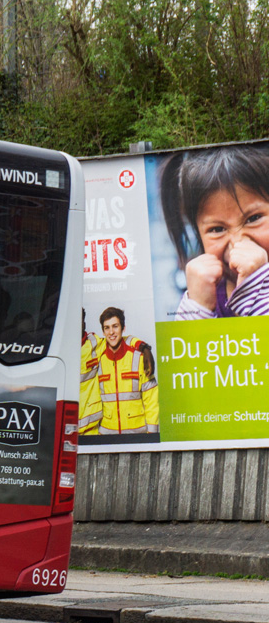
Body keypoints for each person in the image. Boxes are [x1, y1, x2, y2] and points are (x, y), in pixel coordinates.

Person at [160, 147, 269, 318]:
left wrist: (256, 284)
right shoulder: (200, 297)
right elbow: (187, 344)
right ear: (198, 235)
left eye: (253, 218)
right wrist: (198, 307)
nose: (237, 243)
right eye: (217, 229)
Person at [94, 307, 158, 436]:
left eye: (115, 326)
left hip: (137, 434)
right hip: (107, 436)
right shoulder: (98, 359)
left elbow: (151, 400)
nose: (111, 332)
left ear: (123, 328)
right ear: (103, 331)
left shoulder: (139, 358)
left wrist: (152, 433)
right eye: (107, 328)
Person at [77, 309, 105, 435]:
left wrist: (143, 346)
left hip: (90, 426)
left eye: (80, 320)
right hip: (65, 424)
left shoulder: (94, 343)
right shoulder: (57, 348)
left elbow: (119, 341)